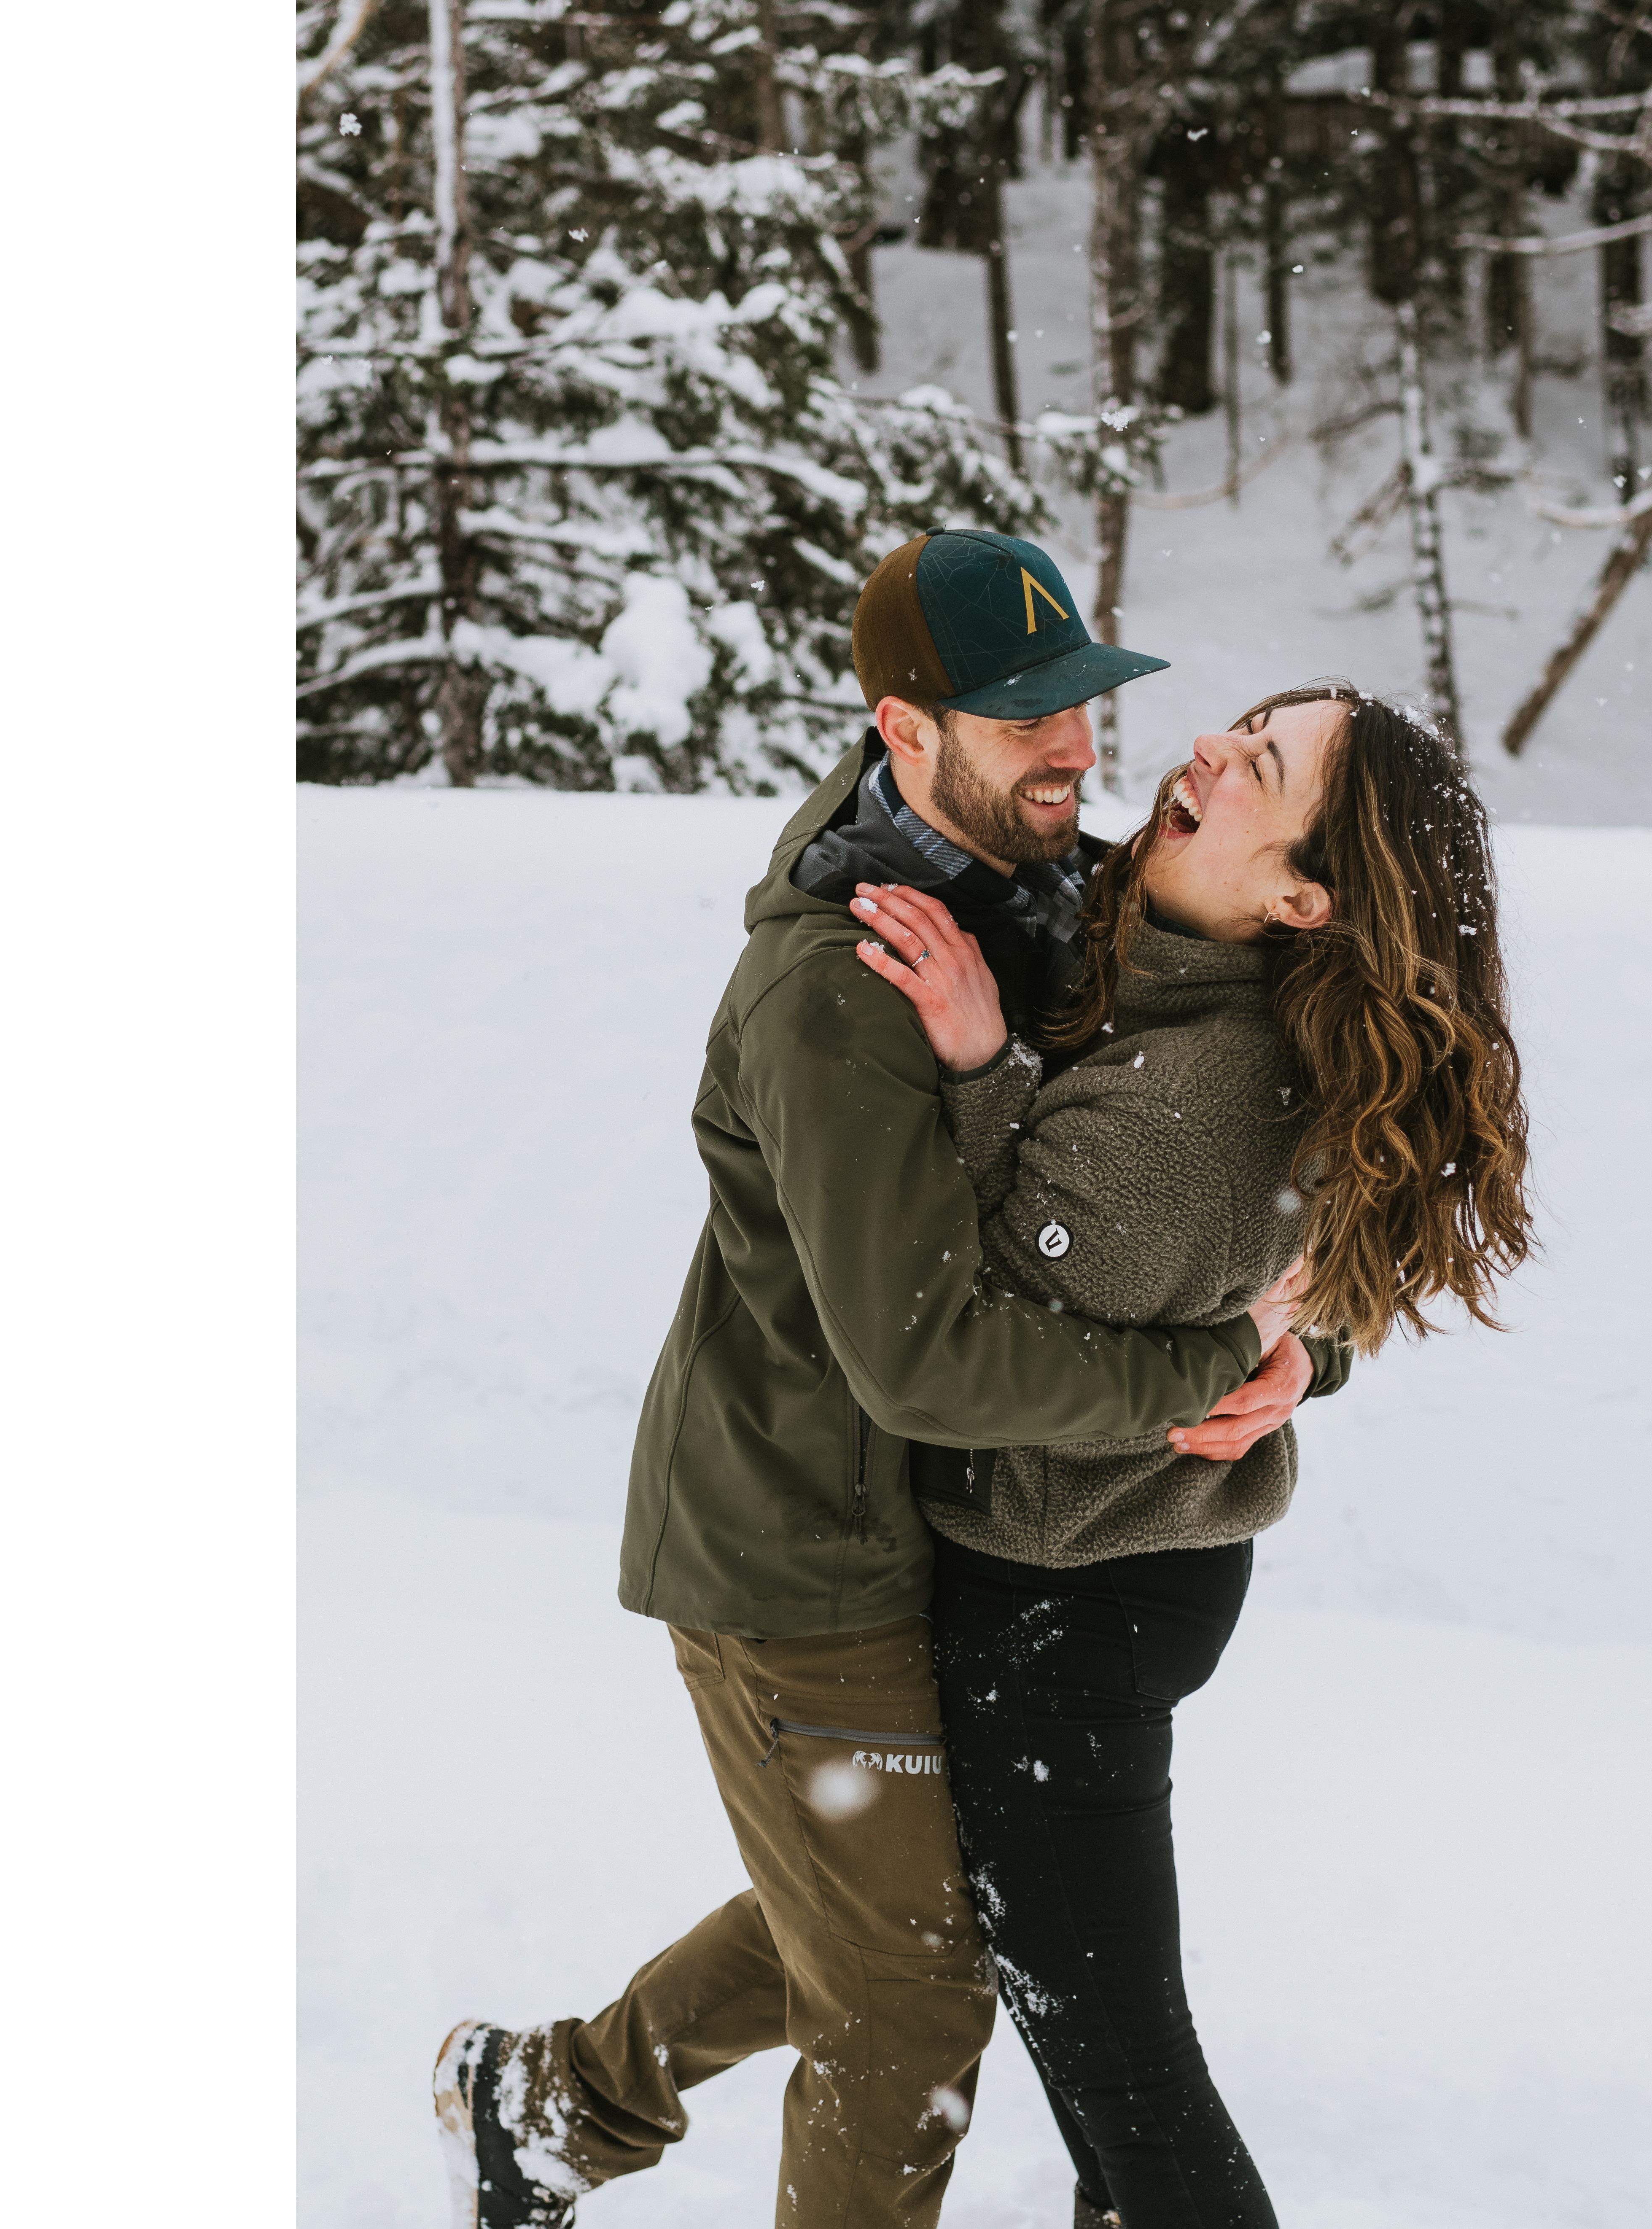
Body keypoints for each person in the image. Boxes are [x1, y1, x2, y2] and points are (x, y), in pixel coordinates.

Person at [431, 533, 1343, 2229]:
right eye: (1021, 721)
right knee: (906, 1994)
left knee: (874, 1908)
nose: (1075, 748)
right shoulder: (831, 989)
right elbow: (924, 1351)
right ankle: (556, 2100)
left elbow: (1181, 1206)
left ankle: (551, 2098)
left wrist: (1300, 1347)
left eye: (1079, 699)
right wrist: (1202, 1369)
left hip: (938, 1532)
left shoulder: (1052, 892)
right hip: (800, 1548)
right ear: (902, 726)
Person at [846, 685, 1535, 2229]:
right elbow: (1270, 1274)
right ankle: (567, 2090)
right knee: (950, 1969)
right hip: (1117, 1571)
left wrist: (976, 1071)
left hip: (1064, 1600)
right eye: (1239, 723)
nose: (1208, 751)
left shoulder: (1199, 1101)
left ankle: (568, 2094)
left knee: (1129, 2090)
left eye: (1262, 766)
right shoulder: (1157, 934)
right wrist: (1301, 1351)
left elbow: (988, 1320)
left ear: (1302, 894)